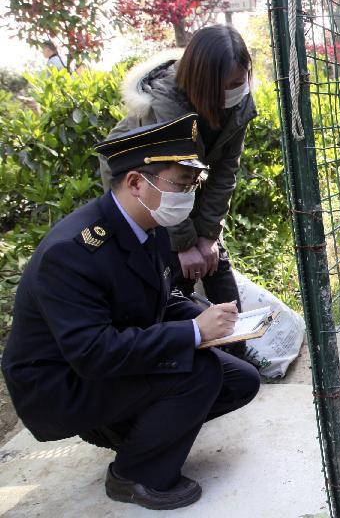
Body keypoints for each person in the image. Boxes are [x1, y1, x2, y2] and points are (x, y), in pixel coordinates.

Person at [2, 115, 261, 510]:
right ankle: (134, 474)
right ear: (137, 182)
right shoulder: (72, 252)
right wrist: (194, 332)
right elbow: (92, 352)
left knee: (240, 379)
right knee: (199, 372)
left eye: (193, 185)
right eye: (181, 184)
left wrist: (216, 323)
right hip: (63, 384)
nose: (188, 195)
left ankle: (133, 432)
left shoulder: (149, 226)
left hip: (105, 363)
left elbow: (160, 297)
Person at [100, 25, 256, 358]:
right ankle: (187, 360)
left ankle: (237, 359)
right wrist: (184, 245)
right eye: (228, 85)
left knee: (216, 267)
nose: (237, 90)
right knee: (174, 278)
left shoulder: (239, 104)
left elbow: (224, 173)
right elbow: (165, 186)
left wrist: (208, 238)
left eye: (241, 81)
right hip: (147, 195)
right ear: (203, 83)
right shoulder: (163, 108)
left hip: (186, 188)